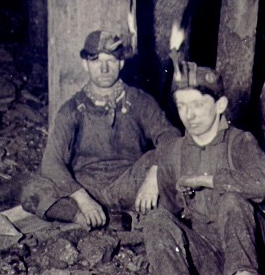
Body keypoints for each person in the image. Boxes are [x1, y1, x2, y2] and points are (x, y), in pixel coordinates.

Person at [141, 59, 265, 275]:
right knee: (156, 218)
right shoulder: (173, 153)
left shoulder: (240, 142)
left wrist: (207, 180)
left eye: (198, 105)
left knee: (231, 200)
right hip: (210, 253)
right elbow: (171, 211)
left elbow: (261, 185)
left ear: (220, 105)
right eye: (182, 106)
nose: (189, 115)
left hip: (253, 246)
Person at [19, 29, 179, 229]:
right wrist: (82, 200)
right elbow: (52, 161)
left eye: (110, 60)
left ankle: (120, 218)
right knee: (33, 188)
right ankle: (89, 218)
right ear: (85, 64)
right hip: (87, 186)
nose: (104, 69)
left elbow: (170, 136)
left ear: (121, 63)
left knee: (166, 165)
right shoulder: (72, 109)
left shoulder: (140, 101)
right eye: (96, 61)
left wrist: (154, 176)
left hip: (129, 184)